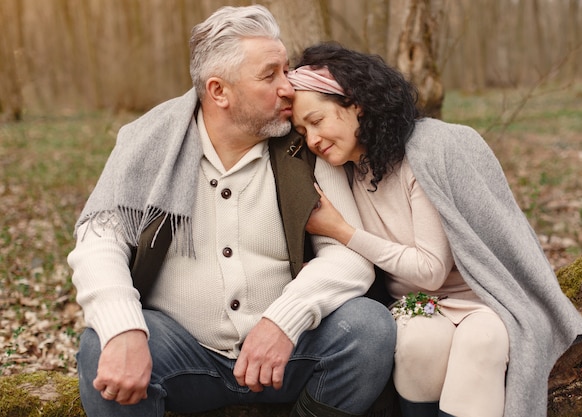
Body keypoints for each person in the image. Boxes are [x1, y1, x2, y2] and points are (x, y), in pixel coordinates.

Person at [67, 7, 397, 417]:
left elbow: (349, 258)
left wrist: (283, 321)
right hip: (183, 355)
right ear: (219, 91)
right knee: (101, 347)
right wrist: (124, 328)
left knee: (368, 327)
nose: (289, 88)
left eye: (286, 70)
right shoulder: (146, 143)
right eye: (270, 75)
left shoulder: (305, 147)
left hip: (288, 355)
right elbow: (97, 242)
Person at [287, 43, 582, 417]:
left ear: (356, 104)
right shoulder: (342, 171)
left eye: (317, 121)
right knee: (419, 343)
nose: (312, 139)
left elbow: (431, 269)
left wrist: (343, 231)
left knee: (483, 341)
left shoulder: (424, 153)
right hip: (416, 304)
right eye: (302, 131)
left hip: (482, 297)